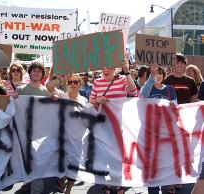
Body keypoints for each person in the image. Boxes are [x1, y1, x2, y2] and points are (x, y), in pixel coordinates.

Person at [89, 65, 137, 194]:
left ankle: (118, 183)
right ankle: (108, 184)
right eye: (104, 67)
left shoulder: (122, 79)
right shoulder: (97, 82)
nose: (106, 70)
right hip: (102, 126)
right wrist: (98, 99)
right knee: (105, 156)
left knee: (116, 156)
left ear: (115, 68)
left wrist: (127, 72)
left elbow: (133, 92)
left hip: (118, 126)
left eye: (109, 67)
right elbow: (91, 100)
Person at [163, 53, 198, 193]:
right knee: (170, 152)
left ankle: (178, 179)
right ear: (173, 64)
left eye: (181, 63)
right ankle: (170, 183)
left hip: (185, 122)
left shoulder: (190, 81)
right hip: (169, 122)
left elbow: (194, 99)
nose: (179, 65)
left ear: (184, 64)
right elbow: (161, 98)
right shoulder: (166, 80)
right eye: (176, 63)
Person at [46, 74, 87, 194]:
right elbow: (48, 86)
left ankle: (68, 190)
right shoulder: (62, 96)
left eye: (75, 82)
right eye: (70, 82)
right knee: (63, 165)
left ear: (80, 84)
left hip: (77, 139)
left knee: (74, 166)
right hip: (62, 139)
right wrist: (62, 79)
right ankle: (62, 180)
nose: (73, 84)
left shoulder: (84, 100)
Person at [12, 62, 49, 194]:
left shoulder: (45, 92)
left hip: (39, 132)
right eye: (34, 71)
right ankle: (28, 184)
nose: (36, 73)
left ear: (42, 74)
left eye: (39, 71)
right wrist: (14, 97)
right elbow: (12, 104)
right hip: (23, 130)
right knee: (25, 159)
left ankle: (36, 189)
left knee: (37, 160)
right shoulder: (22, 90)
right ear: (30, 73)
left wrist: (55, 99)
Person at [140, 64, 177, 194]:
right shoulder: (148, 88)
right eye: (155, 73)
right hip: (150, 134)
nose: (158, 75)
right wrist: (151, 76)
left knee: (165, 166)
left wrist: (173, 106)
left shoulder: (170, 89)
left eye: (160, 73)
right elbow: (142, 97)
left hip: (166, 135)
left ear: (164, 75)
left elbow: (175, 110)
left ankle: (167, 188)